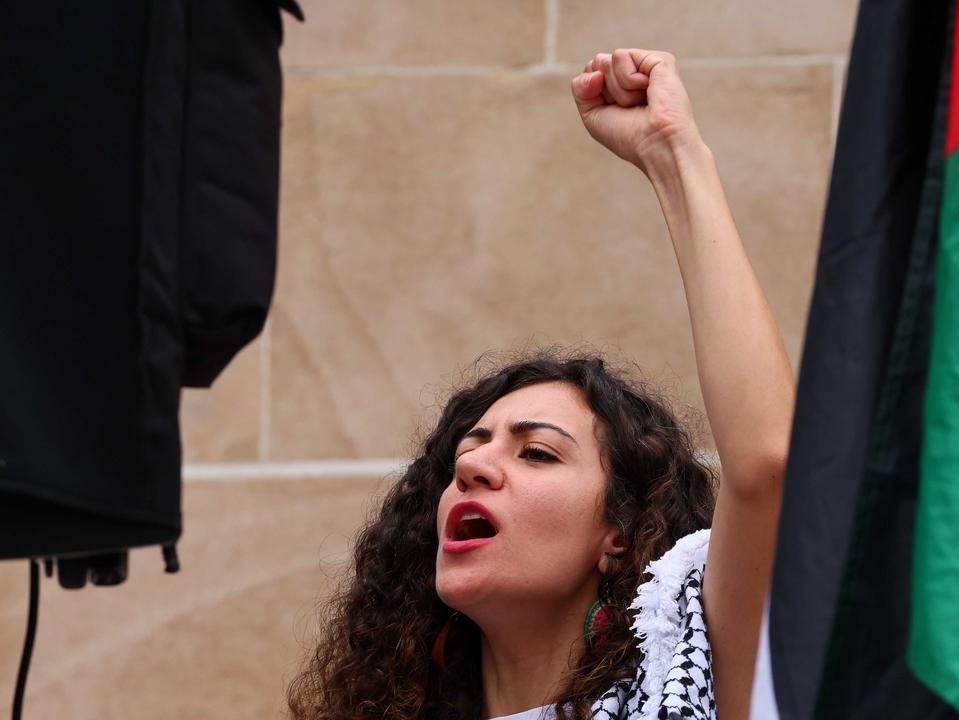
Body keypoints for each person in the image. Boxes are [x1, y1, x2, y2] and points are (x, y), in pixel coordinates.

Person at [288, 48, 795, 720]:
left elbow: (768, 460)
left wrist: (674, 159)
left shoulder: (690, 675)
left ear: (619, 531)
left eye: (537, 452)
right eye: (470, 447)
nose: (472, 465)